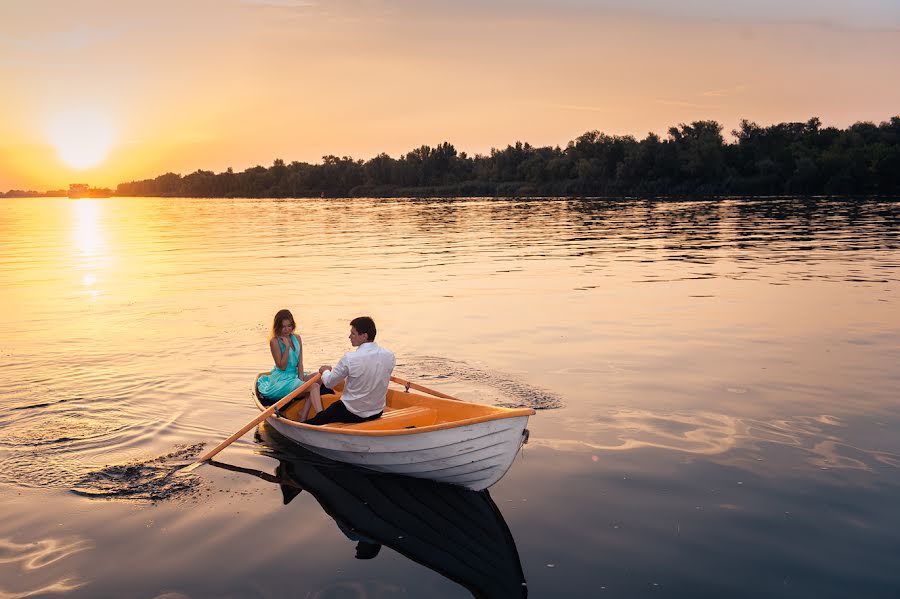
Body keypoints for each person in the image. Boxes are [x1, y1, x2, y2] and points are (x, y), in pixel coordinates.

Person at [304, 316, 395, 426]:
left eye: (353, 333)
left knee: (318, 419)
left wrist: (325, 371)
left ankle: (302, 425)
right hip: (376, 411)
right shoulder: (389, 355)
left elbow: (329, 383)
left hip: (352, 412)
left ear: (364, 336)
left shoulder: (350, 358)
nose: (349, 336)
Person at [256, 309, 323, 421]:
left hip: (295, 375)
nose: (287, 330)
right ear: (278, 327)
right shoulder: (274, 342)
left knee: (319, 378)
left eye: (289, 326)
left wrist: (301, 380)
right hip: (282, 380)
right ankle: (321, 416)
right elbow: (281, 366)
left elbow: (300, 363)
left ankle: (303, 413)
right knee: (314, 386)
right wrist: (286, 347)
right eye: (283, 327)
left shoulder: (297, 338)